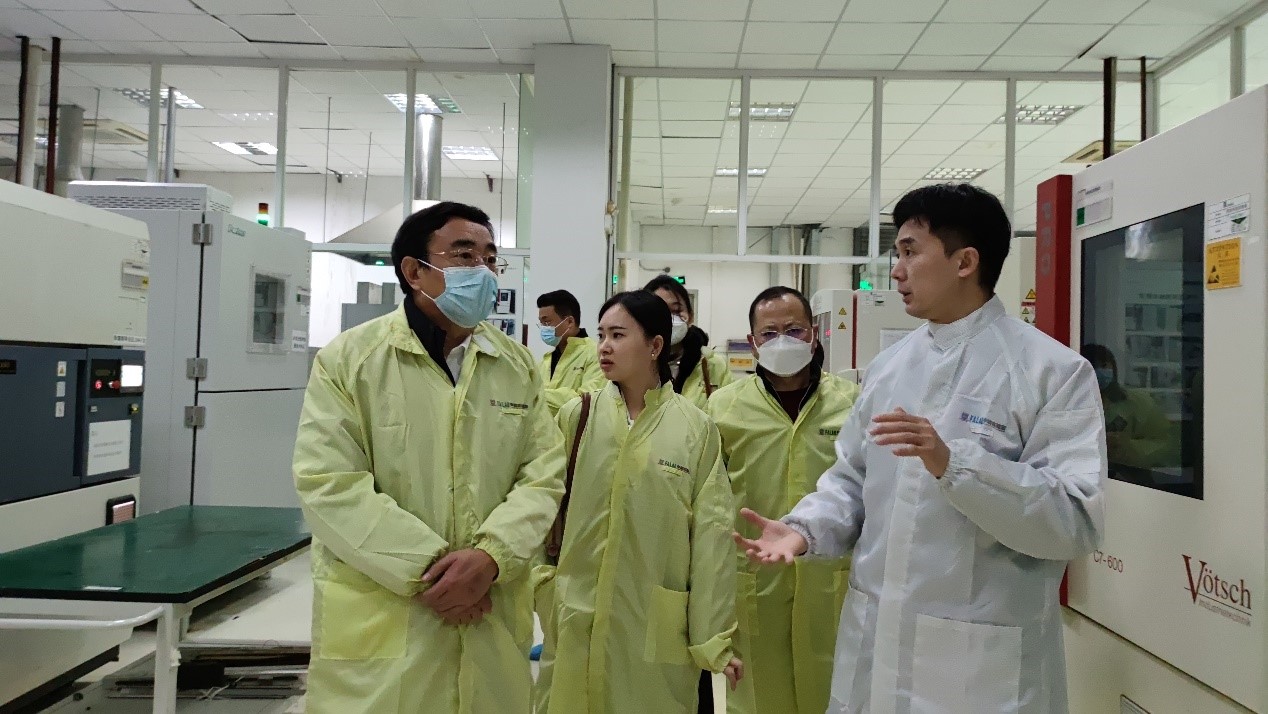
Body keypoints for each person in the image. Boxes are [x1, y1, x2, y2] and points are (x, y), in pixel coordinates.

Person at [735, 184, 1107, 714]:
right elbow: (850, 481)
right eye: (897, 253)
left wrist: (956, 465)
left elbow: (1074, 520)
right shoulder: (890, 368)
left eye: (910, 252)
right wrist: (804, 529)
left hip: (980, 664)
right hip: (877, 646)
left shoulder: (1051, 372)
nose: (897, 271)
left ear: (965, 262)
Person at [293, 201, 565, 714]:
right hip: (388, 617)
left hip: (489, 608)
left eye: (491, 259)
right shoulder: (350, 360)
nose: (483, 271)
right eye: (464, 256)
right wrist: (434, 571)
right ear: (415, 271)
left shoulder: (516, 365)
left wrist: (491, 558)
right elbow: (328, 482)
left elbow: (543, 475)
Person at [537, 290, 742, 713]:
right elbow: (542, 504)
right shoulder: (578, 416)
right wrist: (542, 587)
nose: (604, 347)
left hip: (653, 626)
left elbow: (712, 536)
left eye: (618, 335)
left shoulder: (695, 429)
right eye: (601, 335)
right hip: (576, 617)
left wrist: (712, 638)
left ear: (654, 346)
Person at [708, 286, 860, 714]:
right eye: (769, 333)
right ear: (753, 342)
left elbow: (866, 490)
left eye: (793, 330)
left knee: (833, 694)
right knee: (759, 698)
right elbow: (707, 502)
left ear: (813, 333)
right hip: (755, 578)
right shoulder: (723, 407)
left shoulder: (851, 403)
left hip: (829, 576)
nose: (782, 341)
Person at [1082, 344, 1177, 470]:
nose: (1098, 371)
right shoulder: (1072, 406)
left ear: (1113, 368)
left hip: (1130, 478)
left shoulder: (1138, 402)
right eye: (1092, 367)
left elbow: (1166, 446)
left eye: (1104, 366)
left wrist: (1126, 447)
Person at [645, 275, 734, 409]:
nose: (669, 319)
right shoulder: (629, 363)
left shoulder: (712, 365)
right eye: (659, 312)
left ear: (690, 317)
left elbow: (728, 414)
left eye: (676, 311)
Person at [536, 289, 605, 416]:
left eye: (547, 322)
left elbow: (585, 400)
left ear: (569, 322)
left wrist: (535, 396)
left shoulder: (596, 354)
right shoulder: (545, 361)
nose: (543, 328)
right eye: (541, 323)